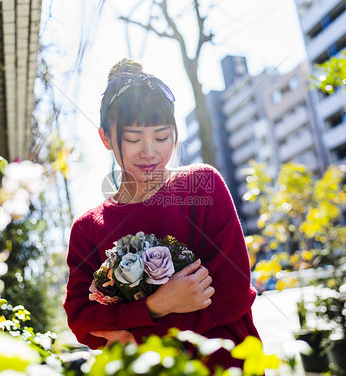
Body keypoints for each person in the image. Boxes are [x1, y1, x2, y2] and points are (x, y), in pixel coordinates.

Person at [63, 58, 260, 369]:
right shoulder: (88, 228)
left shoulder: (201, 186)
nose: (149, 151)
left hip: (222, 365)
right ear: (105, 137)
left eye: (161, 136)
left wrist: (136, 336)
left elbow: (231, 293)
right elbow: (81, 319)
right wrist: (157, 305)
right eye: (132, 138)